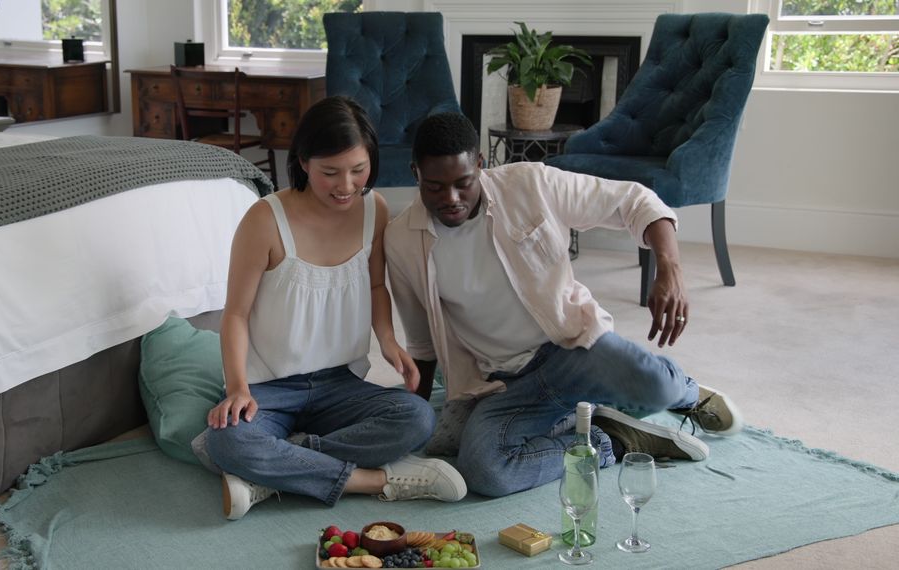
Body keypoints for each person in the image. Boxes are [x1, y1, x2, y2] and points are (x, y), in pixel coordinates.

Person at [384, 112, 744, 497]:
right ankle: (613, 439)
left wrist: (669, 269)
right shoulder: (402, 241)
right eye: (435, 187)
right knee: (485, 471)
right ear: (415, 172)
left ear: (480, 165)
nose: (451, 199)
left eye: (463, 183)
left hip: (573, 349)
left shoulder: (531, 184)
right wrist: (413, 425)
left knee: (657, 388)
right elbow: (422, 345)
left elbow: (635, 201)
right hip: (505, 383)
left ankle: (687, 393)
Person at [203, 96, 467, 520]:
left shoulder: (374, 209)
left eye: (358, 170)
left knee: (417, 417)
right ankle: (375, 480)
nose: (346, 185)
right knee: (227, 440)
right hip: (268, 388)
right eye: (330, 172)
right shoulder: (264, 220)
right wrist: (237, 388)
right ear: (304, 162)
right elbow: (235, 313)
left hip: (340, 383)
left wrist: (388, 341)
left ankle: (279, 468)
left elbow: (376, 285)